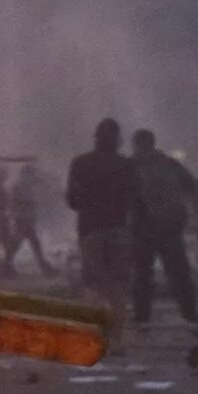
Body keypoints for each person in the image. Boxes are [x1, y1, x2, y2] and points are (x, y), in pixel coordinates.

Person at [127, 130, 198, 327]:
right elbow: (191, 185)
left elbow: (118, 196)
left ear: (135, 144)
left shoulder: (130, 165)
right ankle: (191, 316)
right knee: (178, 273)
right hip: (169, 226)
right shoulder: (168, 163)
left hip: (143, 227)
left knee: (143, 274)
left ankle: (143, 318)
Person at [65, 119, 139, 312]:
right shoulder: (126, 165)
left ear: (96, 138)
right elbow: (136, 197)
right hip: (118, 228)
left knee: (93, 281)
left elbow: (72, 200)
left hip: (90, 229)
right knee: (119, 280)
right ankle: (116, 328)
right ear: (117, 139)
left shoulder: (80, 163)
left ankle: (98, 329)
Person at [6, 161, 53, 275]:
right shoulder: (20, 185)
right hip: (23, 218)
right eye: (31, 173)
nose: (32, 175)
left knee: (23, 243)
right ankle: (44, 267)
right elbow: (17, 202)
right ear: (26, 174)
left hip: (25, 217)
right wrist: (28, 206)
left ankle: (6, 265)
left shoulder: (25, 184)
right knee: (29, 243)